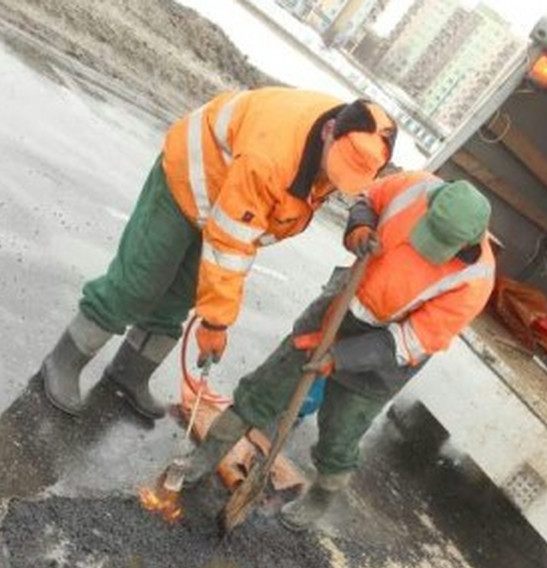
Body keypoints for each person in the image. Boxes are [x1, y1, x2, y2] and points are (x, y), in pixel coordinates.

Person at [40, 88, 396, 419]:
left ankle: (128, 373)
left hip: (231, 198)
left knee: (180, 294)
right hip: (190, 179)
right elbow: (229, 243)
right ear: (329, 131)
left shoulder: (350, 140)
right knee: (140, 281)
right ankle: (64, 361)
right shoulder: (270, 157)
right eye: (337, 167)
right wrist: (215, 323)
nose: (334, 180)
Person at [183, 170, 496, 531]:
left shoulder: (475, 280)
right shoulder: (417, 187)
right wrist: (359, 227)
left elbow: (411, 340)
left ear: (468, 242)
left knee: (341, 430)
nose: (427, 247)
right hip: (343, 304)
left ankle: (322, 495)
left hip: (385, 352)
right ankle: (206, 456)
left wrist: (340, 358)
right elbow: (369, 198)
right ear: (432, 204)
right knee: (268, 383)